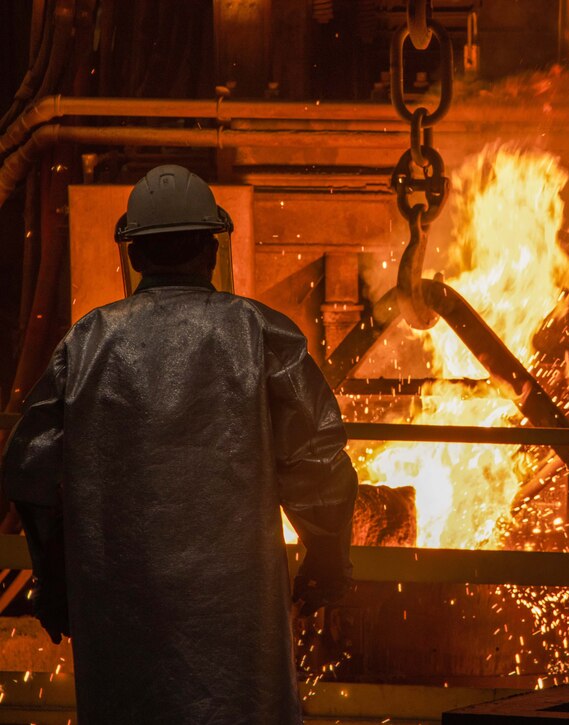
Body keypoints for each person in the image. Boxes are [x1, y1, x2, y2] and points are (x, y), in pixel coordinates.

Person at [1, 165, 359, 724]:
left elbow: (29, 471)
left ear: (135, 255)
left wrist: (55, 582)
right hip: (238, 624)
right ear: (212, 248)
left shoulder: (87, 343)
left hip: (120, 622)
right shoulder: (261, 333)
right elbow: (319, 467)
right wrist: (328, 563)